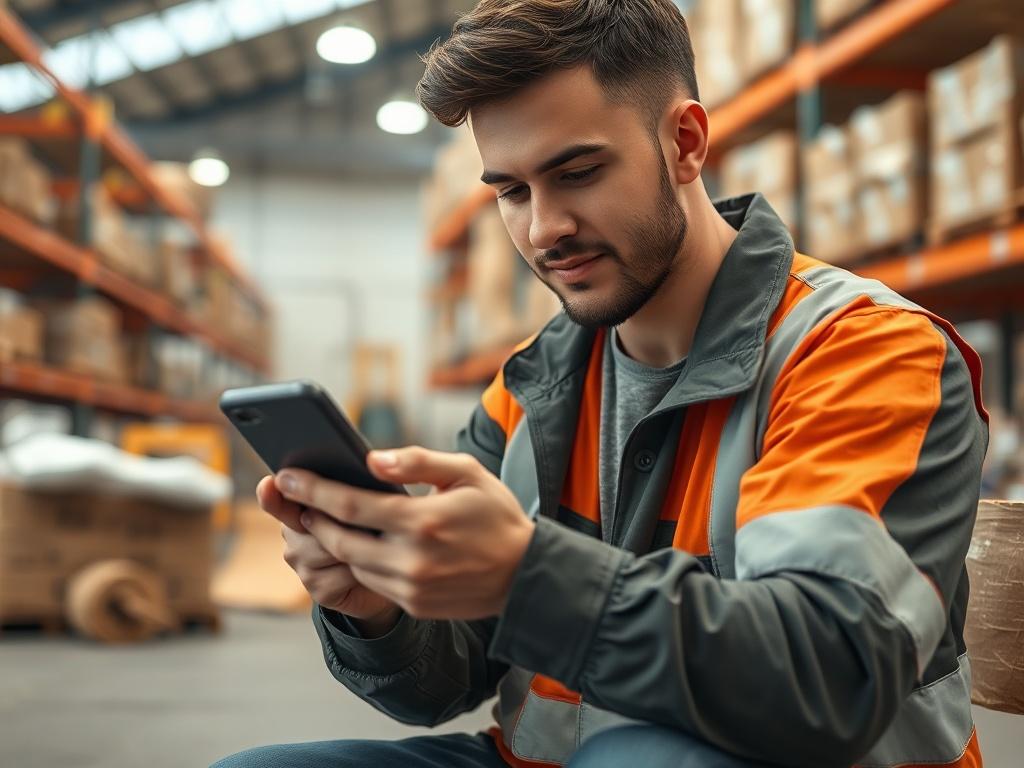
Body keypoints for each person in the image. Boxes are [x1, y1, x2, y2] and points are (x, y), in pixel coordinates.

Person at [213, 1, 988, 766]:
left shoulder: (862, 352)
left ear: (685, 143)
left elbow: (826, 677)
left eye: (577, 173)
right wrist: (379, 609)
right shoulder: (531, 387)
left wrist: (526, 578)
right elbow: (443, 681)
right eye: (512, 191)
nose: (544, 228)